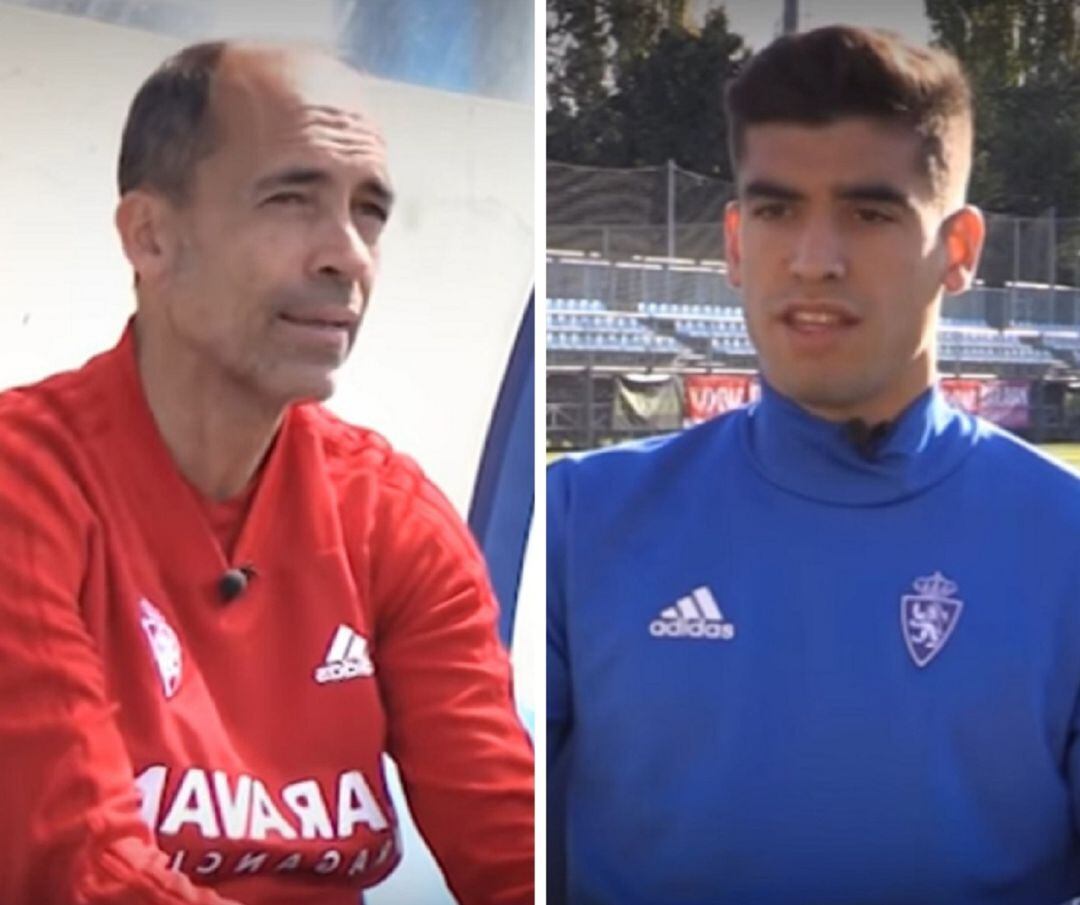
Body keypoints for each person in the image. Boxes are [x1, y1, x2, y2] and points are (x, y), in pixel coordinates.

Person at [548, 25, 1080, 905]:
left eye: (870, 214)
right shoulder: (583, 520)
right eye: (776, 210)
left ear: (959, 249)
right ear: (732, 240)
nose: (813, 259)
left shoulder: (1064, 541)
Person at [0, 41, 533, 905]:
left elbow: (516, 846)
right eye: (291, 199)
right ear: (151, 236)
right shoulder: (24, 482)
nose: (347, 256)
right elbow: (84, 871)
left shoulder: (393, 518)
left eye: (369, 213)